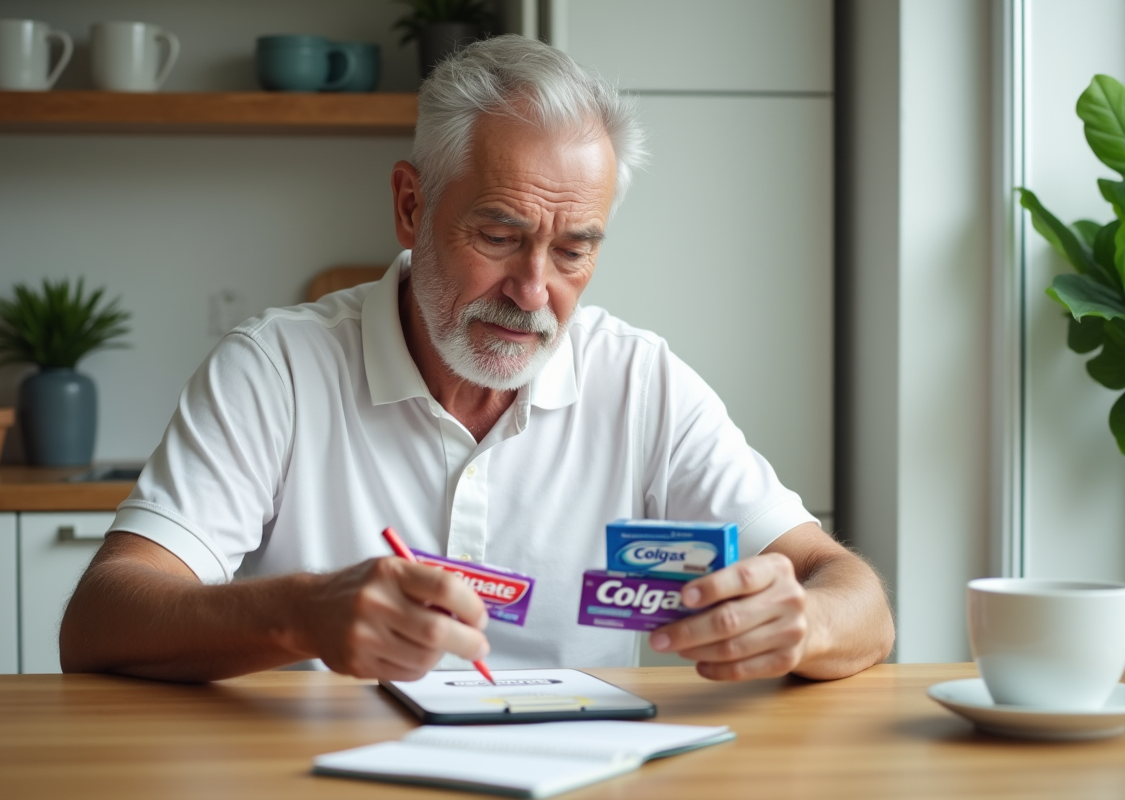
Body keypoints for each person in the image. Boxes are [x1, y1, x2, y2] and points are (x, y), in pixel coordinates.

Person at [60, 35, 894, 684]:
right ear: (410, 205)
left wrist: (805, 622)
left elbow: (853, 597)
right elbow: (100, 621)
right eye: (499, 236)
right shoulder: (275, 369)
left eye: (573, 251)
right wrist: (302, 614)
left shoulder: (641, 382)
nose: (533, 291)